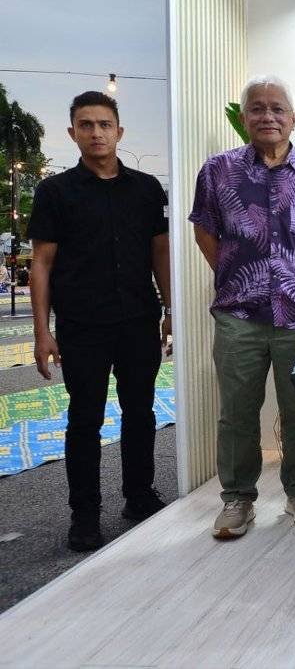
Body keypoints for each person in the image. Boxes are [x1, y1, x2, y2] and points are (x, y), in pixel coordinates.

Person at [190, 75, 295, 539]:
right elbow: (204, 229)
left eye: (277, 109)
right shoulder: (218, 171)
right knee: (237, 411)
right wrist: (235, 272)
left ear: (293, 118)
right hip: (239, 313)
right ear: (245, 117)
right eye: (257, 108)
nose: (267, 116)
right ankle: (237, 499)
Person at [28, 91, 171, 551]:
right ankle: (85, 515)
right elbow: (41, 264)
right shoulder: (55, 192)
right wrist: (42, 333)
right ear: (73, 133)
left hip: (138, 320)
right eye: (86, 125)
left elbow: (161, 253)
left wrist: (170, 311)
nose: (96, 133)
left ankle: (139, 496)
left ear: (119, 131)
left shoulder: (147, 189)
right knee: (84, 420)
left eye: (104, 124)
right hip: (82, 325)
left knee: (140, 412)